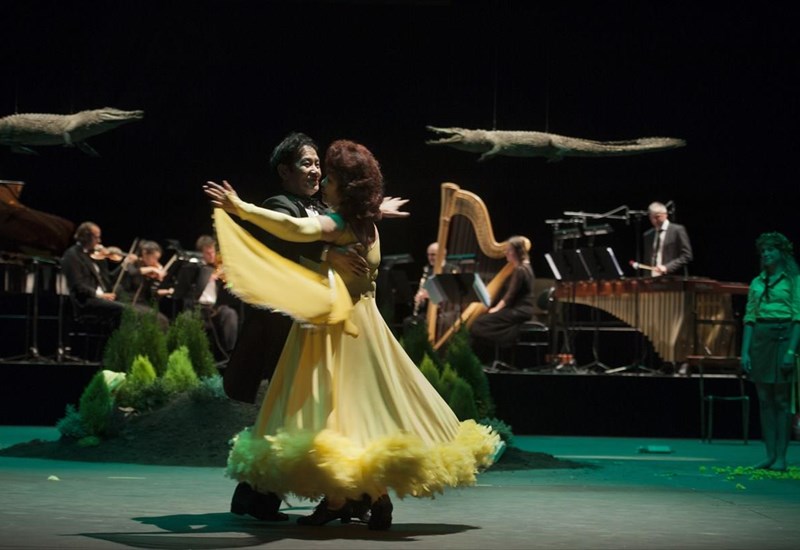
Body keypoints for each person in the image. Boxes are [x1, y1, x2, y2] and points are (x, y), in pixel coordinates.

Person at [204, 139, 499, 531]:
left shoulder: (339, 224)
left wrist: (241, 208)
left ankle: (343, 499)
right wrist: (349, 234)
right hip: (366, 328)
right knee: (357, 415)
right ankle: (365, 498)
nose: (321, 180)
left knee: (330, 414)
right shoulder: (367, 224)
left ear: (344, 187)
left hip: (333, 331)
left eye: (328, 177)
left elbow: (294, 228)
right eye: (312, 168)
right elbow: (303, 232)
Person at [741, 231, 800, 471]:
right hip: (761, 338)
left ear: (781, 252)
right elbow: (749, 318)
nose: (766, 254)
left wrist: (791, 352)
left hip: (784, 336)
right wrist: (745, 352)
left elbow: (798, 318)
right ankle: (770, 454)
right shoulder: (757, 282)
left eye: (770, 250)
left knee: (781, 400)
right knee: (765, 399)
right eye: (763, 250)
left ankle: (782, 457)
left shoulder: (793, 280)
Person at [469, 236, 536, 364]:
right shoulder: (524, 267)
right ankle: (488, 358)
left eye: (509, 250)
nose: (506, 253)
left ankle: (504, 344)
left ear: (517, 252)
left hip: (519, 310)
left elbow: (510, 295)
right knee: (482, 323)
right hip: (519, 309)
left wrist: (496, 309)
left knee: (479, 324)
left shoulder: (520, 269)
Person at [60, 221, 133, 329]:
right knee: (124, 310)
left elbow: (109, 279)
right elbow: (77, 285)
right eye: (96, 237)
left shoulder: (96, 256)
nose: (99, 241)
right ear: (86, 237)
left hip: (100, 299)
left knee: (132, 307)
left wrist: (124, 265)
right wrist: (100, 295)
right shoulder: (72, 255)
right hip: (85, 301)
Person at [184, 235, 239, 362]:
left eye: (213, 252)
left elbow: (230, 287)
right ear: (201, 253)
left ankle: (230, 353)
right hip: (197, 308)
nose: (212, 256)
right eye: (208, 253)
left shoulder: (216, 268)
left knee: (230, 314)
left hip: (214, 308)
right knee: (188, 320)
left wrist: (228, 282)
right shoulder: (195, 269)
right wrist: (209, 276)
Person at [121, 239, 172, 331]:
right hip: (128, 301)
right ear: (144, 254)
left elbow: (151, 293)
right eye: (154, 258)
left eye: (157, 259)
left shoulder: (150, 270)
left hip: (141, 303)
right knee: (159, 320)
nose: (156, 262)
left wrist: (166, 290)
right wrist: (152, 269)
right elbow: (133, 272)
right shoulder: (132, 262)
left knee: (162, 320)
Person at [641, 201, 693, 277]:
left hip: (673, 278)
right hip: (652, 278)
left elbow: (687, 255)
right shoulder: (648, 235)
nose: (654, 220)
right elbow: (647, 260)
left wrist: (667, 267)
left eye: (657, 217)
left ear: (665, 215)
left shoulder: (677, 230)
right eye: (652, 217)